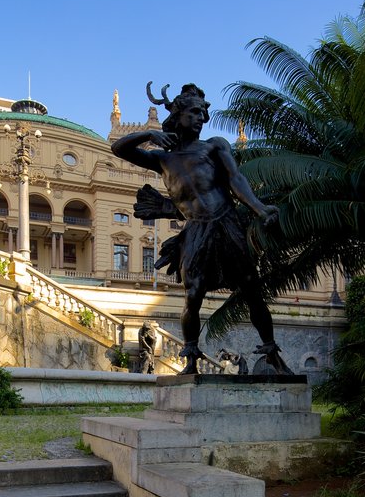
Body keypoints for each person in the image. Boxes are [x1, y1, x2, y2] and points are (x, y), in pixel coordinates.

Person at [112, 83, 291, 375]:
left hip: (226, 221)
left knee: (251, 289)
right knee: (193, 295)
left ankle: (271, 353)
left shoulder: (215, 146)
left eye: (203, 113)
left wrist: (258, 208)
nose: (201, 118)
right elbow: (118, 148)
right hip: (196, 229)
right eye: (194, 112)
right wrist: (147, 134)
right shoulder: (162, 158)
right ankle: (192, 359)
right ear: (179, 114)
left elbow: (236, 180)